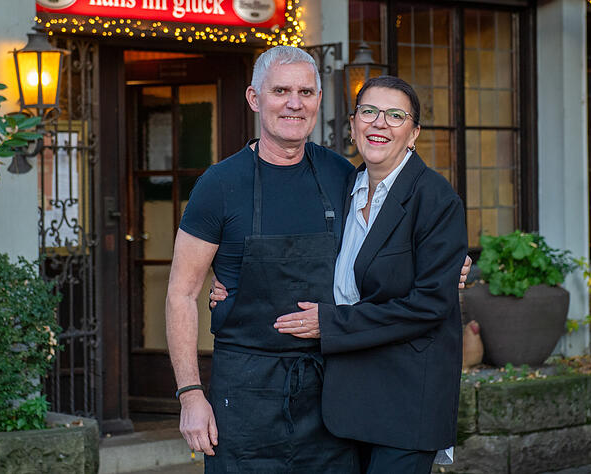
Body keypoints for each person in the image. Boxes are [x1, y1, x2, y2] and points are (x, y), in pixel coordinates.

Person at [168, 46, 470, 473]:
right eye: (282, 91)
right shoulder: (217, 186)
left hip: (332, 398)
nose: (295, 102)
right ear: (255, 99)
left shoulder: (343, 176)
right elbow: (181, 293)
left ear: (319, 101)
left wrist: (449, 267)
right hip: (245, 395)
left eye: (306, 91)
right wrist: (191, 393)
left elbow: (387, 243)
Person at [272, 76, 468, 474]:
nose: (380, 123)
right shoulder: (344, 188)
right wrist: (228, 279)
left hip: (407, 398)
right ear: (353, 123)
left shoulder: (434, 198)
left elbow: (429, 304)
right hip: (349, 397)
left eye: (395, 115)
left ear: (413, 134)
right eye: (369, 112)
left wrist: (332, 323)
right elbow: (299, 252)